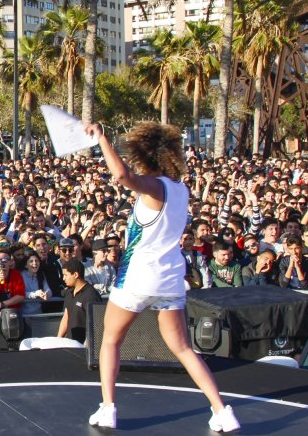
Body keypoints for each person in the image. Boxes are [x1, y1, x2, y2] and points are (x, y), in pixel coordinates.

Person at [83, 121, 240, 432]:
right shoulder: (181, 190)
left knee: (110, 340)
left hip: (139, 277)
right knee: (183, 348)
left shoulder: (155, 189)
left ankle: (108, 408)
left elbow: (122, 176)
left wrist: (101, 139)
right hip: (170, 279)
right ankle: (222, 410)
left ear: (143, 156)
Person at [55, 259, 99, 344]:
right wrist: (58, 340)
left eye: (65, 275)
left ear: (75, 274)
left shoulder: (91, 295)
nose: (63, 278)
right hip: (70, 344)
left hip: (84, 346)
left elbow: (95, 325)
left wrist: (86, 346)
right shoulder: (69, 292)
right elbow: (66, 316)